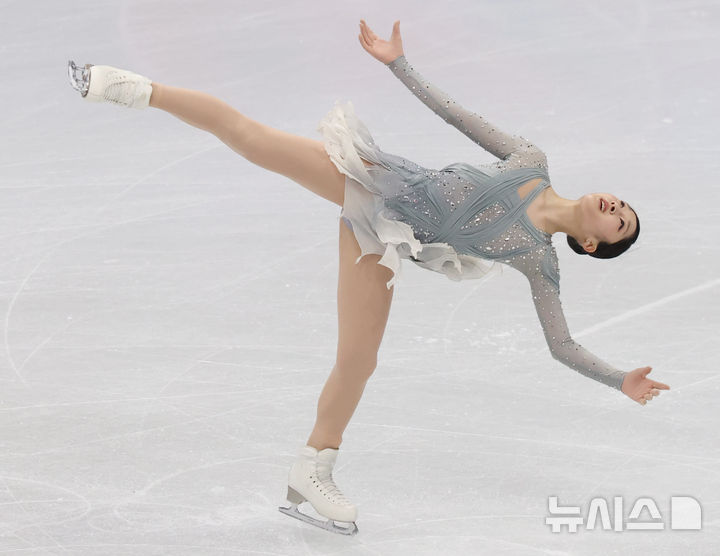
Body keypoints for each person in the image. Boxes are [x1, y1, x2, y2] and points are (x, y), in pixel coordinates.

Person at [67, 18, 669, 536]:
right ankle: (132, 88)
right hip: (377, 181)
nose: (616, 207)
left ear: (590, 244)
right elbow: (456, 114)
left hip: (385, 238)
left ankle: (313, 469)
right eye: (621, 204)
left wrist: (619, 380)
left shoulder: (537, 258)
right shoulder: (531, 162)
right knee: (251, 138)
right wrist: (398, 63)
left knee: (358, 359)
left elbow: (561, 343)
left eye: (619, 223)